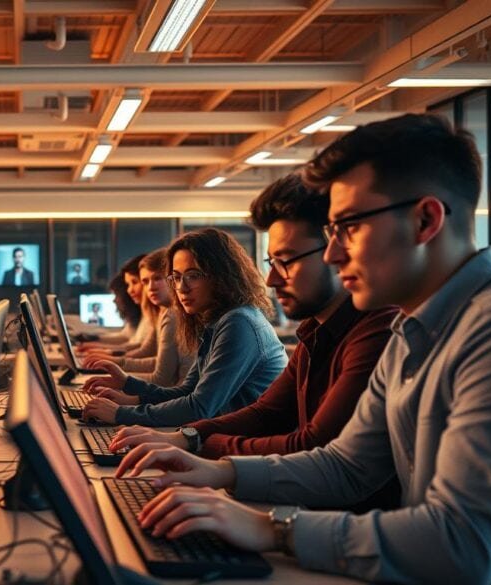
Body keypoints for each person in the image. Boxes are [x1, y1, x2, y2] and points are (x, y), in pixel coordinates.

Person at [115, 114, 491, 584]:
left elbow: (464, 543)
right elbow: (346, 465)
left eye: (349, 228)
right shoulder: (411, 327)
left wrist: (273, 528)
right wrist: (222, 473)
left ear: (426, 220)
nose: (335, 255)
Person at [108, 175, 396, 468]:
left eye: (287, 260)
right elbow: (264, 412)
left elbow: (312, 445)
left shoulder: (374, 330)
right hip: (280, 472)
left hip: (292, 480)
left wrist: (205, 451)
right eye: (272, 262)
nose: (271, 279)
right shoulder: (313, 331)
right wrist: (186, 438)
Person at [82, 228, 288, 426]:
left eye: (193, 275)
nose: (181, 288)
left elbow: (199, 407)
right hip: (228, 436)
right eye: (177, 277)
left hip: (249, 446)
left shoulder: (239, 322)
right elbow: (187, 391)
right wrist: (128, 385)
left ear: (222, 276)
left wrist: (121, 414)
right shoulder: (215, 321)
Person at [84, 249, 195, 387]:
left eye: (157, 278)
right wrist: (114, 364)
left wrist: (120, 380)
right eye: (145, 281)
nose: (150, 287)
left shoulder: (172, 314)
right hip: (173, 398)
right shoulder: (164, 312)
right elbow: (154, 358)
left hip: (175, 400)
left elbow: (162, 378)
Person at [77, 254, 148, 351]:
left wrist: (102, 350)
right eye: (128, 285)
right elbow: (127, 339)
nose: (130, 290)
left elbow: (136, 349)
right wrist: (94, 341)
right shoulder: (145, 315)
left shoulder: (153, 317)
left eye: (134, 282)